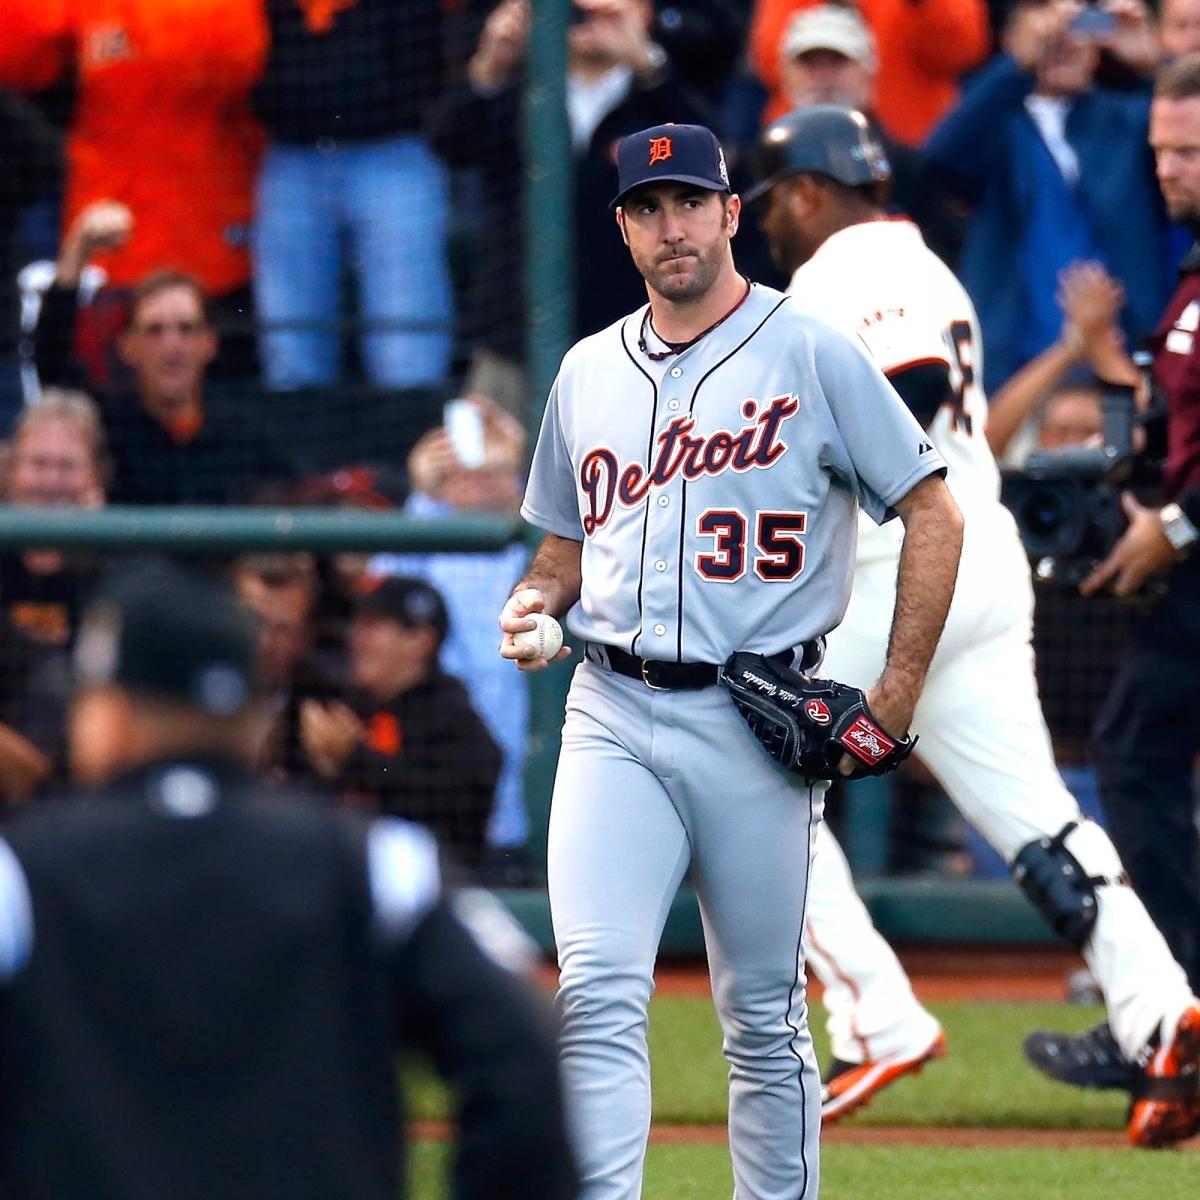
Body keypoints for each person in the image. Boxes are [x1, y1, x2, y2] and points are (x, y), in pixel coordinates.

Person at [499, 121, 962, 1198]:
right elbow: (565, 543)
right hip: (610, 711)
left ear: (731, 213)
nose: (674, 226)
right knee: (598, 990)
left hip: (758, 725)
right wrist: (535, 596)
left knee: (760, 1015)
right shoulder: (585, 371)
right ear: (622, 227)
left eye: (692, 202)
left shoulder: (810, 348)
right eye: (649, 208)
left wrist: (893, 696)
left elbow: (933, 514)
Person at [747, 103, 1200, 1146]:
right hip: (976, 562)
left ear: (810, 194)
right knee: (1040, 818)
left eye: (774, 204)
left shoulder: (853, 269)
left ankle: (876, 1017)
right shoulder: (921, 260)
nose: (767, 225)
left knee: (733, 772)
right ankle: (1162, 1017)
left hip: (895, 566)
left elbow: (899, 390)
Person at [0, 559, 577, 1199]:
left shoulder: (21, 874)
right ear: (253, 719)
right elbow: (523, 1060)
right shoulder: (376, 866)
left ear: (109, 714)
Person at [1024, 53, 1200, 1116]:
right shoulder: (1190, 273)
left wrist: (1173, 524)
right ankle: (1170, 1018)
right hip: (1187, 566)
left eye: (1190, 150)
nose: (1171, 167)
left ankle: (1171, 1015)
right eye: (1164, 150)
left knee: (1134, 753)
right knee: (1134, 751)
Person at [432, 0, 713, 369]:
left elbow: (719, 163)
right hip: (515, 339)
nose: (589, 21)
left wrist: (647, 61)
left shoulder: (657, 97)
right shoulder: (523, 92)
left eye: (605, 10)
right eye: (578, 11)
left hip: (637, 339)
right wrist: (490, 66)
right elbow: (449, 143)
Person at [0, 0, 267, 375]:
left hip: (209, 240)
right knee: (98, 388)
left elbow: (234, 60)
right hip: (113, 245)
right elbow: (19, 55)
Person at [925, 0, 1173, 393]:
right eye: (1043, 22)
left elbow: (1186, 146)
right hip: (1013, 371)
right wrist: (1015, 67)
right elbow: (940, 162)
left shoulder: (1130, 120)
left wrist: (1155, 65)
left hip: (1124, 362)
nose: (1062, 38)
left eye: (1077, 26)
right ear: (1009, 39)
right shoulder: (994, 124)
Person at [251, 0, 457, 390]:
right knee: (291, 347)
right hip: (293, 152)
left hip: (394, 149)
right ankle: (300, 450)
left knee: (407, 345)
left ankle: (412, 447)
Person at [369, 396, 534, 883]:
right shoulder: (427, 529)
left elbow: (570, 566)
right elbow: (379, 602)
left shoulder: (537, 531)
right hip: (433, 809)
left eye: (490, 457)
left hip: (526, 820)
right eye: (460, 454)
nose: (476, 468)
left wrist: (524, 477)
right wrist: (424, 496)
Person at [35, 266, 294, 505]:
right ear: (127, 346)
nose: (172, 347)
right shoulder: (109, 422)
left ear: (209, 343)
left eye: (186, 329)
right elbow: (53, 366)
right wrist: (76, 256)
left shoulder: (245, 434)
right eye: (154, 331)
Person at [301, 576, 501, 871]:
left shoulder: (448, 714)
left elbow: (450, 807)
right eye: (356, 626)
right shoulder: (341, 705)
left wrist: (354, 760)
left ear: (419, 640)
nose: (356, 640)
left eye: (373, 626)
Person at [774, 4, 967, 263]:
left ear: (869, 72)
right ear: (784, 74)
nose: (823, 77)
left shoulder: (908, 171)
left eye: (838, 62)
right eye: (809, 63)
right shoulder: (757, 171)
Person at [0, 390, 108, 797]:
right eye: (38, 464)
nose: (50, 482)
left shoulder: (115, 576)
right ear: (10, 475)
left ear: (95, 479)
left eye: (66, 466)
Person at [749, 0, 991, 142]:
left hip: (908, 152)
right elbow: (768, 58)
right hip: (797, 147)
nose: (824, 73)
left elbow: (964, 47)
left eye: (834, 63)